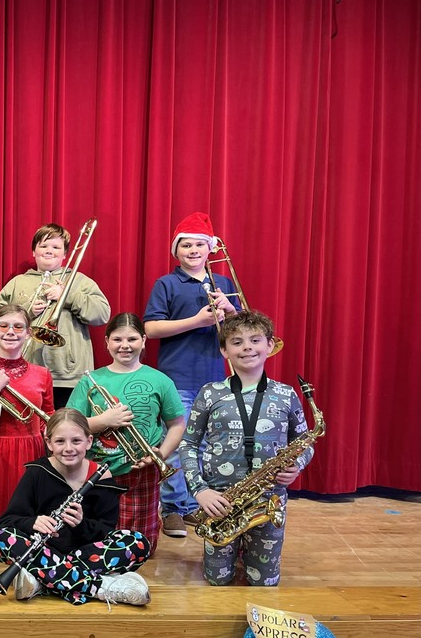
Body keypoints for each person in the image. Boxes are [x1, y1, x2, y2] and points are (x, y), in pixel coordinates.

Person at [179, 310, 314, 586]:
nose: (247, 347)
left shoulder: (286, 394)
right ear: (224, 350)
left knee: (265, 583)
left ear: (270, 345)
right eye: (237, 342)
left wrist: (297, 466)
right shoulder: (210, 392)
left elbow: (305, 444)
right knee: (217, 580)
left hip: (267, 500)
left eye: (255, 340)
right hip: (220, 502)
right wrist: (200, 491)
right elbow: (188, 444)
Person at [143, 212, 240, 538]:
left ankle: (195, 505)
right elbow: (151, 328)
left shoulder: (223, 283)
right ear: (177, 250)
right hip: (177, 375)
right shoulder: (166, 283)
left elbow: (239, 332)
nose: (193, 249)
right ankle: (172, 508)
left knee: (205, 446)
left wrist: (231, 311)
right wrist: (196, 321)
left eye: (200, 244)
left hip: (214, 376)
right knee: (178, 443)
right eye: (186, 244)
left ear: (210, 248)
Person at [0, 408, 151, 606]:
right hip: (45, 551)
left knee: (137, 543)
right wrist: (33, 522)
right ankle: (100, 587)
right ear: (49, 443)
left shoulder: (103, 476)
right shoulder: (36, 473)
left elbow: (107, 531)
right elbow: (6, 522)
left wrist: (81, 524)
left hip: (84, 553)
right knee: (2, 539)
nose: (68, 448)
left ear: (89, 441)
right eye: (60, 441)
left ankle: (44, 581)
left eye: (76, 441)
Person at [66, 313, 186, 555]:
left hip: (142, 470)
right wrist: (103, 421)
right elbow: (70, 425)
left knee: (140, 547)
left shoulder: (159, 380)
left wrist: (160, 454)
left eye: (132, 339)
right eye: (117, 339)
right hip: (97, 469)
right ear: (107, 342)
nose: (125, 346)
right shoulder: (91, 380)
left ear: (143, 341)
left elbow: (177, 424)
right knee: (96, 538)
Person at [0, 223, 110, 408]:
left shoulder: (80, 281)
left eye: (55, 247)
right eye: (43, 246)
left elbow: (102, 314)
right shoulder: (17, 283)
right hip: (26, 370)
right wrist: (26, 311)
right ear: (33, 252)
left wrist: (67, 296)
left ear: (65, 254)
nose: (49, 251)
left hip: (68, 375)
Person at [0, 304, 55, 534]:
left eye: (18, 326)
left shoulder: (42, 374)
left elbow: (48, 417)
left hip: (31, 451)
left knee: (27, 514)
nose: (11, 331)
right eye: (3, 326)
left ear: (28, 332)